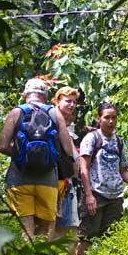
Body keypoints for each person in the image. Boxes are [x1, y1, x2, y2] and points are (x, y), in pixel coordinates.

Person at [0, 78, 74, 240]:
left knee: (27, 229)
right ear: (45, 96)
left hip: (19, 179)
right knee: (47, 231)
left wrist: (21, 155)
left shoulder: (16, 112)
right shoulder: (54, 113)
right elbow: (68, 149)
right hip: (47, 180)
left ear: (25, 95)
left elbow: (2, 146)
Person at [74, 102, 128, 255]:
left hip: (116, 196)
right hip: (96, 194)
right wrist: (89, 195)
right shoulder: (91, 138)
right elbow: (83, 169)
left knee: (110, 237)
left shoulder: (119, 141)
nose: (110, 121)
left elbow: (123, 169)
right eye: (107, 117)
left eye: (114, 117)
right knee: (87, 236)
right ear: (99, 118)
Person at [51, 86, 82, 244]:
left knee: (67, 229)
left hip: (66, 183)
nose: (72, 105)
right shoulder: (53, 122)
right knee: (65, 229)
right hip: (58, 183)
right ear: (57, 101)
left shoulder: (64, 123)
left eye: (74, 102)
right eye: (68, 101)